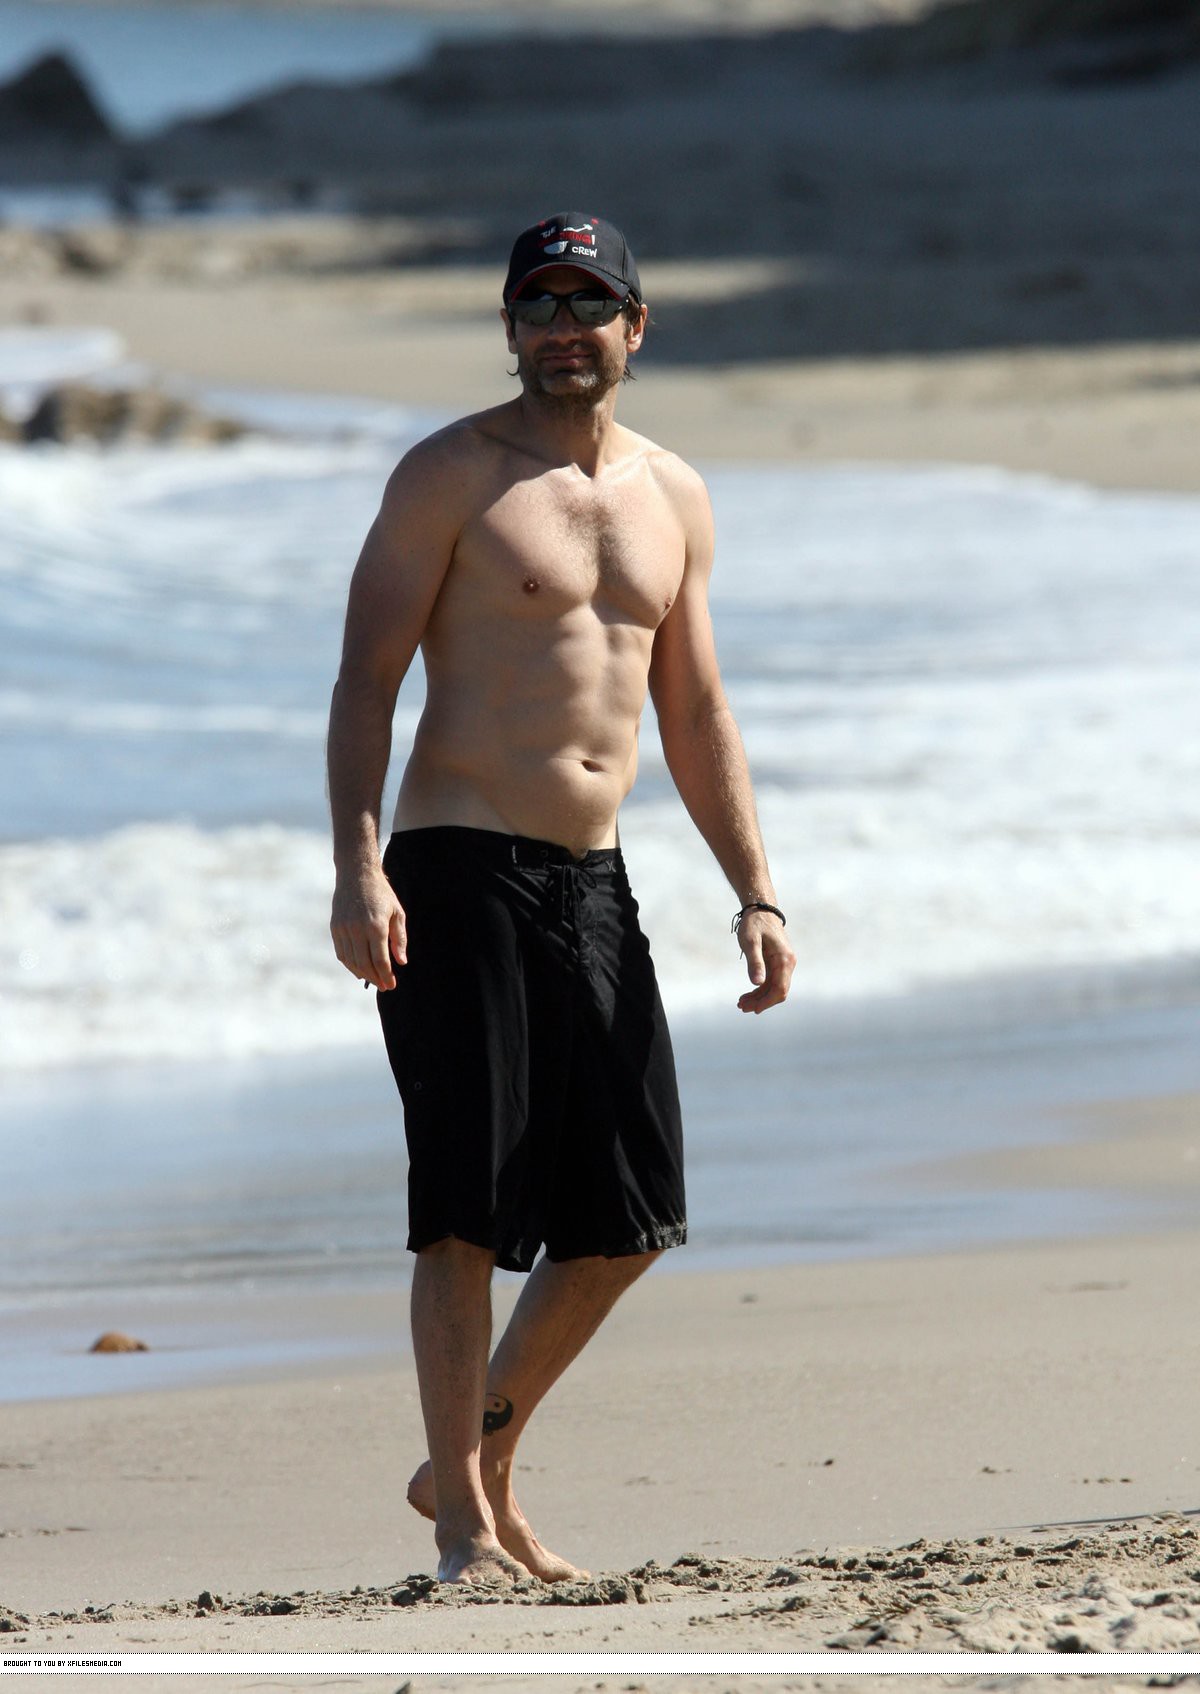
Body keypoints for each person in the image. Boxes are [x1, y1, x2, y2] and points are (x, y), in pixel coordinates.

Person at [327, 211, 795, 1588]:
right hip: (455, 869)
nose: (564, 330)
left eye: (590, 306)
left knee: (629, 1211)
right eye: (539, 306)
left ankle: (467, 1455)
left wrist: (756, 891)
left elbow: (696, 710)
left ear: (636, 326)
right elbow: (366, 682)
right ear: (510, 327)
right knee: (463, 1208)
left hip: (594, 877)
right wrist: (359, 864)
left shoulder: (674, 494)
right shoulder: (449, 476)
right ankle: (465, 1527)